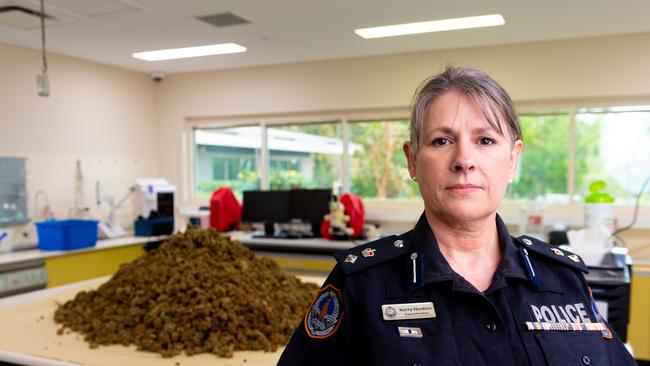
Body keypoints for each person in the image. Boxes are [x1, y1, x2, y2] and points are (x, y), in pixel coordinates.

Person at [277, 66, 637, 366]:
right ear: (412, 160)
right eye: (441, 141)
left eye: (485, 141)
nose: (464, 160)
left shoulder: (563, 280)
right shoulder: (361, 284)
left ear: (513, 159)